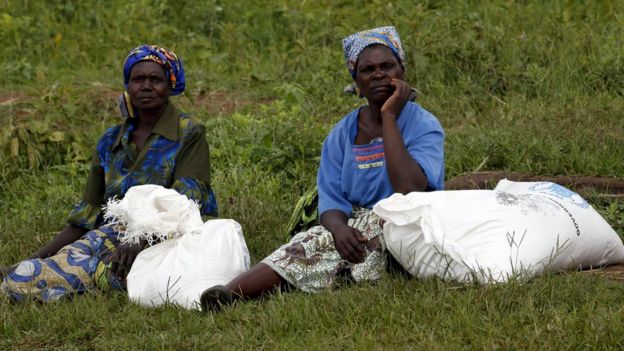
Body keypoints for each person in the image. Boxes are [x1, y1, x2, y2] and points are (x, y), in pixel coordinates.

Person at [200, 26, 445, 311]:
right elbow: (330, 198)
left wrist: (389, 117)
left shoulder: (423, 125)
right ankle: (228, 294)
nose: (378, 74)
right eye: (367, 69)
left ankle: (341, 270)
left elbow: (410, 188)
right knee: (314, 238)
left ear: (401, 71)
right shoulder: (341, 134)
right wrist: (339, 229)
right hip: (356, 225)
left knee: (369, 229)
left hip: (410, 221)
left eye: (387, 66)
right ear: (357, 81)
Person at [0, 45, 218, 301]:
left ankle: (36, 283)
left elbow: (186, 199)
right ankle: (27, 277)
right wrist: (33, 257)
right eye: (138, 79)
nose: (146, 86)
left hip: (172, 235)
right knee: (66, 258)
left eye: (156, 79)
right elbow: (87, 214)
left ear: (170, 86)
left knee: (79, 271)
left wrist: (139, 240)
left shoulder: (189, 132)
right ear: (128, 86)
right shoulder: (110, 140)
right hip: (112, 235)